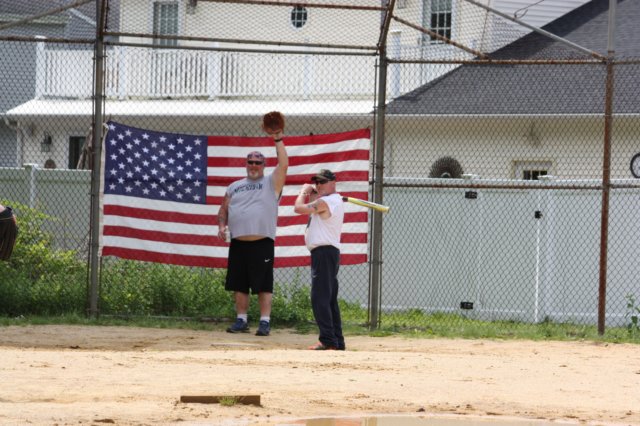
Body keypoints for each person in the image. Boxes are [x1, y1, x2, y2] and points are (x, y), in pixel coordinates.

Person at [217, 112, 288, 337]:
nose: (254, 165)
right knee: (240, 283)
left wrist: (277, 138)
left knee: (264, 284)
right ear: (246, 164)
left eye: (258, 162)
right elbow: (223, 209)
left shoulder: (271, 182)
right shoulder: (235, 185)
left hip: (261, 242)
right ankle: (241, 320)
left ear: (264, 165)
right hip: (239, 242)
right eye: (251, 162)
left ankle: (265, 322)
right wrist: (221, 226)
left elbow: (284, 164)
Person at [294, 169, 346, 350]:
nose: (319, 185)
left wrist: (304, 192)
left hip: (324, 253)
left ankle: (328, 340)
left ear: (333, 183)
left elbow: (298, 208)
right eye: (317, 183)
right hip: (327, 253)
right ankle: (336, 341)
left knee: (320, 298)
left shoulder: (328, 201)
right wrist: (314, 194)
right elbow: (313, 208)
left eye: (323, 182)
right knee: (329, 299)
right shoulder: (330, 200)